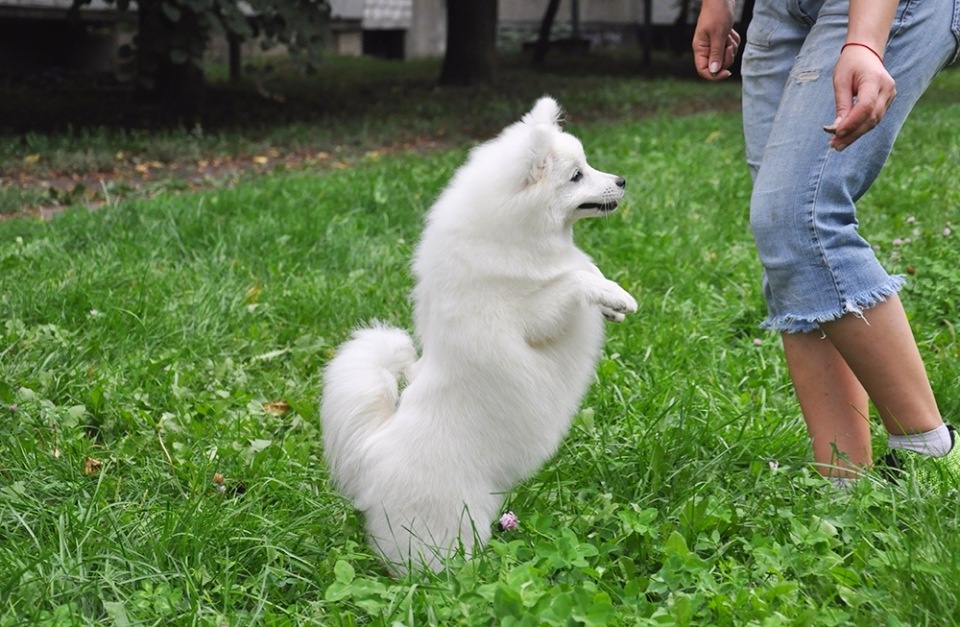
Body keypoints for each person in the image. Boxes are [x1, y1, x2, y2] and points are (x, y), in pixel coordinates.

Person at [692, 0, 960, 488]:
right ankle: (845, 483)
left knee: (801, 216)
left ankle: (930, 452)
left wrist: (863, 41)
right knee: (783, 238)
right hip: (778, 13)